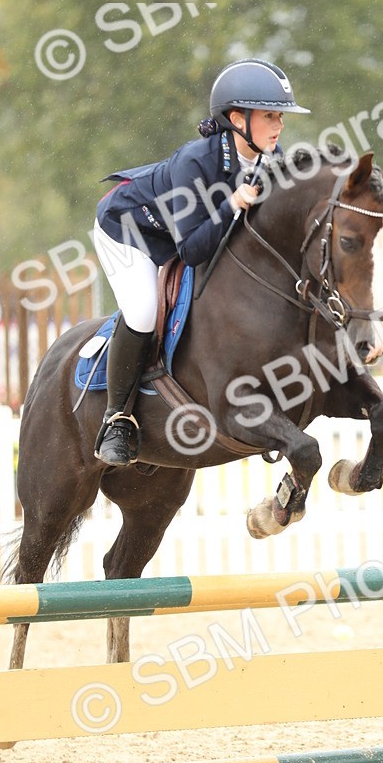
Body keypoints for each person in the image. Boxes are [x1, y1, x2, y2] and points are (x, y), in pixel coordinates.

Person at [92, 58, 310, 467]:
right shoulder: (196, 161)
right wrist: (232, 203)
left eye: (280, 116)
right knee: (142, 311)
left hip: (180, 232)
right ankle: (116, 419)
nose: (279, 126)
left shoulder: (269, 156)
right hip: (129, 230)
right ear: (236, 118)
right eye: (269, 116)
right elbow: (192, 250)